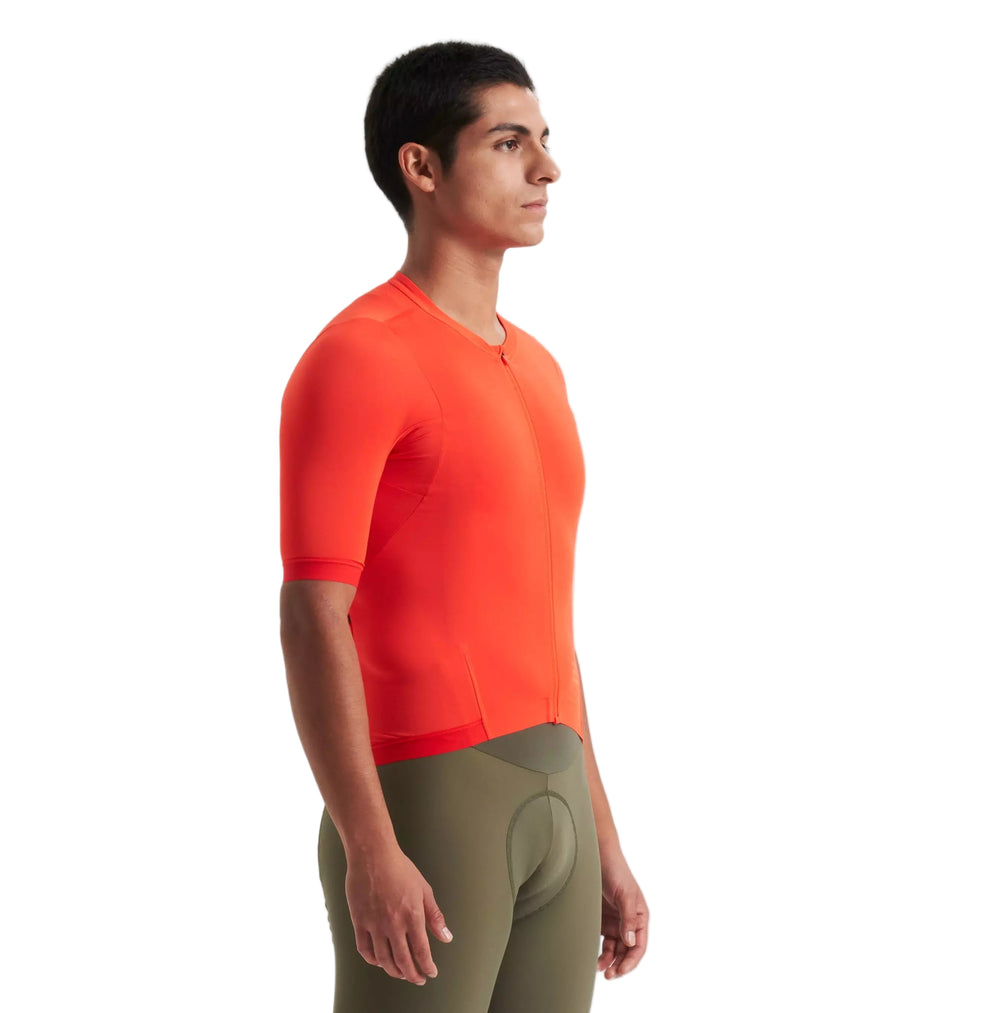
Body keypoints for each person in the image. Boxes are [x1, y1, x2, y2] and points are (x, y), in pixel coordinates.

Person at [277, 41, 649, 1011]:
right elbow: (312, 611)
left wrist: (606, 838)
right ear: (423, 167)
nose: (547, 168)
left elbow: (542, 619)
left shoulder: (539, 367)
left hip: (560, 793)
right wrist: (369, 845)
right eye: (509, 143)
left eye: (545, 140)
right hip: (431, 797)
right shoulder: (362, 356)